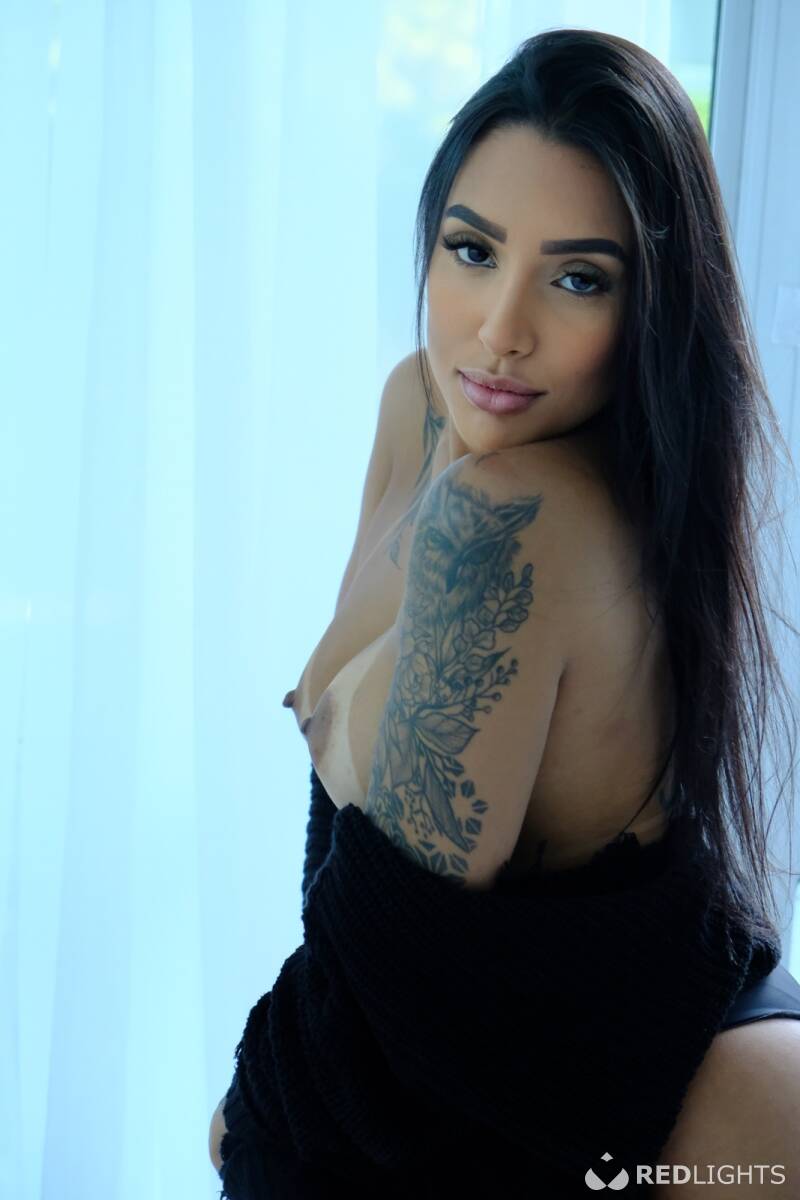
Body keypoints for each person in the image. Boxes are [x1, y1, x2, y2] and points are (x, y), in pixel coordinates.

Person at [211, 28, 800, 1196]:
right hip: (490, 1069)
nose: (498, 328)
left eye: (577, 278)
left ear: (650, 308)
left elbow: (393, 978)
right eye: (472, 250)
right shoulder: (424, 408)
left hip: (622, 1104)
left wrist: (251, 1107)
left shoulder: (507, 519)